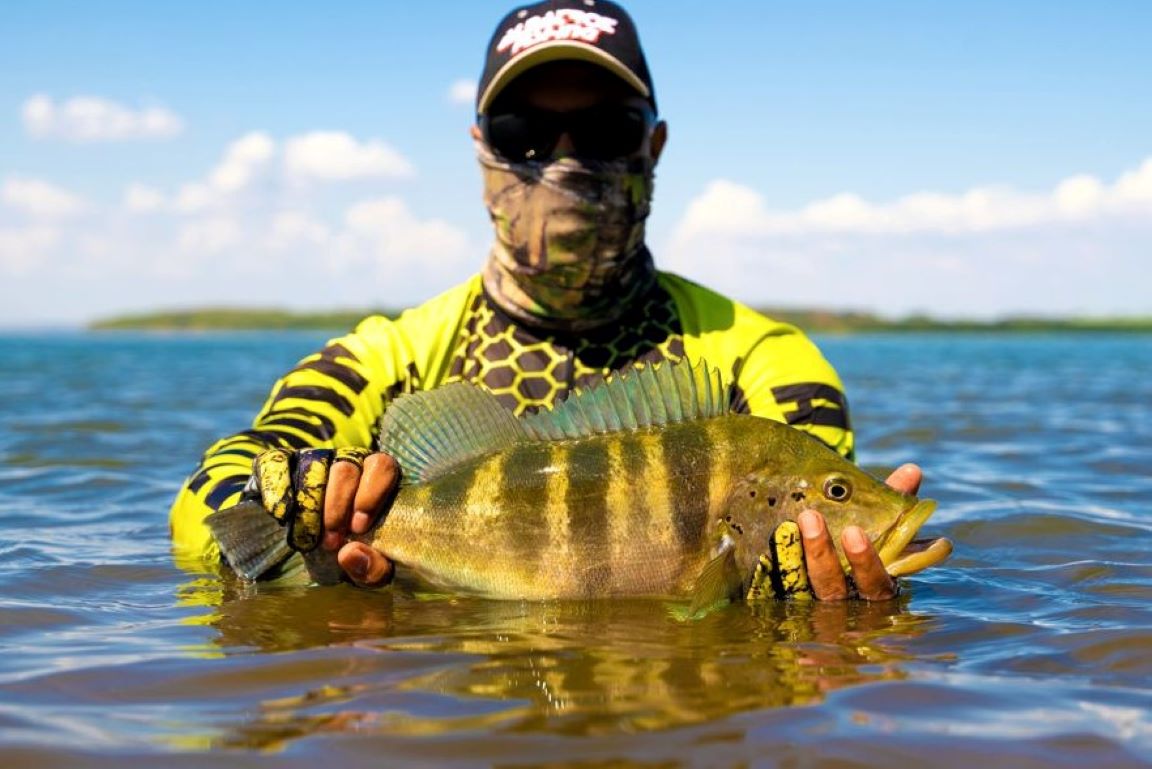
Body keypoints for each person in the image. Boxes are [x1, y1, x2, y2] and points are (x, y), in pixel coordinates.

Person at [170, 0, 926, 601]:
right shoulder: (383, 359)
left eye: (605, 130)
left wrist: (826, 595)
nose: (564, 161)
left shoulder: (764, 358)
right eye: (524, 131)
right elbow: (210, 508)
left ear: (654, 147)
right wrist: (295, 511)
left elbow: (817, 520)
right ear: (481, 148)